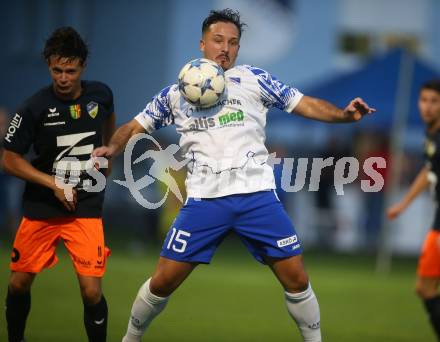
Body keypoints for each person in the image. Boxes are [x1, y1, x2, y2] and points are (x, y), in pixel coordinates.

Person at [94, 9, 375, 342]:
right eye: (217, 40)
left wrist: (343, 115)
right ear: (202, 44)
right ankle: (130, 338)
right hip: (204, 201)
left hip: (256, 196)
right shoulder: (175, 95)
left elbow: (306, 104)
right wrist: (112, 147)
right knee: (162, 281)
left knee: (297, 278)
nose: (225, 48)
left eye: (233, 42)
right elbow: (133, 126)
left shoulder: (254, 79)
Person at [3, 27, 116, 342]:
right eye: (57, 70)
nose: (63, 77)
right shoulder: (32, 108)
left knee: (91, 291)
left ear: (82, 66)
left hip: (85, 207)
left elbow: (108, 121)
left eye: (71, 70)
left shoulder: (101, 95)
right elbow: (9, 160)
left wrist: (108, 158)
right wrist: (52, 183)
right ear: (48, 65)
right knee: (18, 285)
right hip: (42, 207)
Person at [387, 80, 440, 340]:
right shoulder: (431, 134)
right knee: (425, 288)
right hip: (437, 223)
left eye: (434, 101)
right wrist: (404, 203)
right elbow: (429, 170)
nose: (427, 107)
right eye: (424, 100)